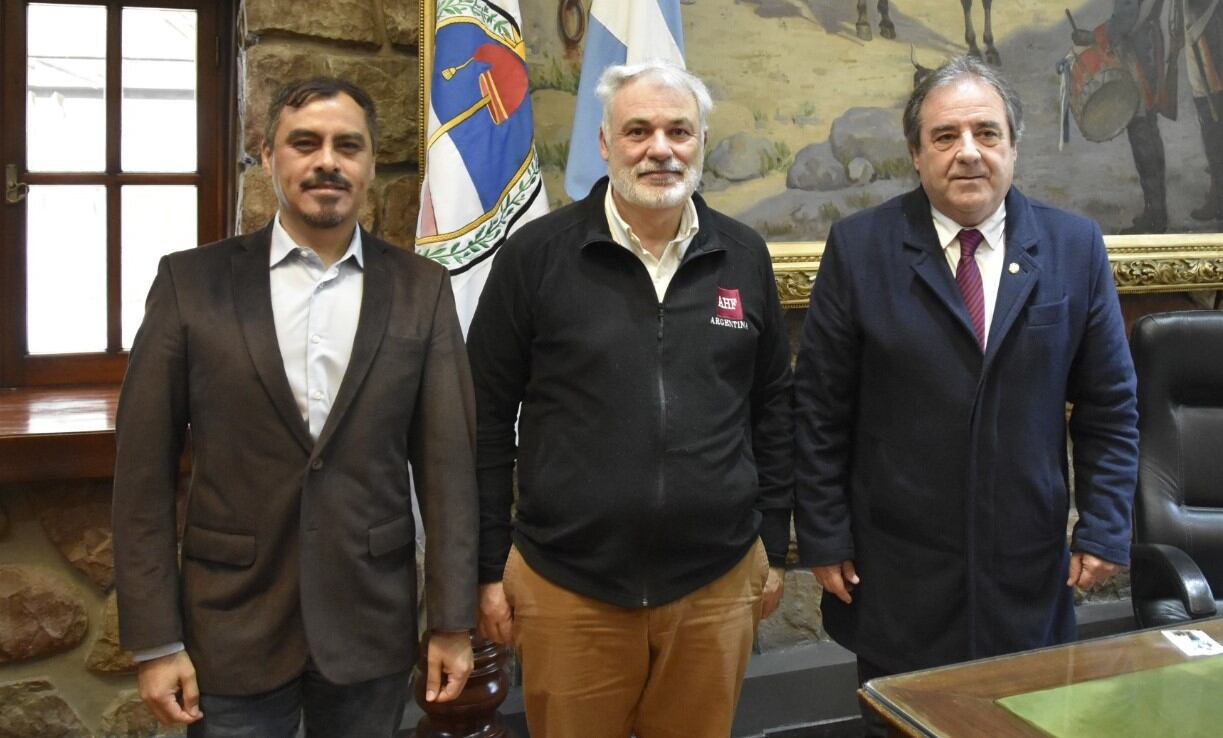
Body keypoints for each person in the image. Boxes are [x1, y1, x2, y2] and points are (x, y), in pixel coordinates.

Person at [112, 77, 479, 737]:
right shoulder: (189, 284)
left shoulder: (421, 291)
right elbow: (141, 478)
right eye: (304, 143)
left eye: (348, 146)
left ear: (369, 162)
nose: (326, 162)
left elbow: (448, 470)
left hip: (369, 624)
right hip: (230, 626)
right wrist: (155, 640)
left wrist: (451, 622)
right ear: (267, 155)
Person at [793, 56, 1139, 736]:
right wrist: (824, 533)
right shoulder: (860, 248)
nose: (967, 153)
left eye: (986, 132)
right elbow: (819, 408)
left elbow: (1108, 406)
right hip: (897, 571)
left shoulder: (1073, 246)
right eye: (945, 136)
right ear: (916, 154)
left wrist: (1103, 523)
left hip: (1026, 566)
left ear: (1013, 145)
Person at [466, 60, 793, 738]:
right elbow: (485, 420)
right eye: (638, 130)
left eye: (679, 131)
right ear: (604, 143)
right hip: (568, 586)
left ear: (700, 141)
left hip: (716, 581)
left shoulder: (743, 255)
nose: (660, 149)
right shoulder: (536, 257)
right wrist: (486, 564)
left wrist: (770, 542)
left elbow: (772, 407)